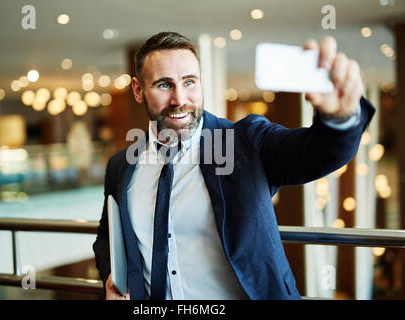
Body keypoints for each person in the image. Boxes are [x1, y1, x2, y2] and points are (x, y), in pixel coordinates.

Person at [93, 32, 375, 300]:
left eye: (189, 82)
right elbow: (107, 236)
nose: (180, 99)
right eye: (164, 85)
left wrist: (339, 120)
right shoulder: (121, 166)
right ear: (138, 90)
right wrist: (114, 278)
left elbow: (313, 154)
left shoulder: (245, 141)